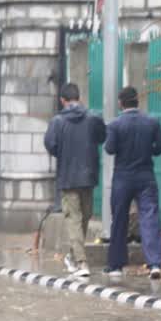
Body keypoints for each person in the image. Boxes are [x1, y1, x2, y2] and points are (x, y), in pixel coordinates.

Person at [105, 86, 161, 281]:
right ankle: (155, 264)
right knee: (149, 218)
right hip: (145, 175)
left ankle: (116, 265)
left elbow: (109, 149)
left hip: (122, 177)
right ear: (137, 102)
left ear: (120, 103)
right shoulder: (151, 122)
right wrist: (150, 152)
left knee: (119, 220)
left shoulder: (115, 125)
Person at [44, 83, 107, 278]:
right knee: (84, 217)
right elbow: (102, 137)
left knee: (75, 219)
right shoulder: (93, 119)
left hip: (68, 176)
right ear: (78, 98)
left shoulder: (57, 121)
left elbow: (50, 145)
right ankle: (76, 259)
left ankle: (79, 261)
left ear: (62, 100)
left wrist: (65, 154)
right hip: (89, 175)